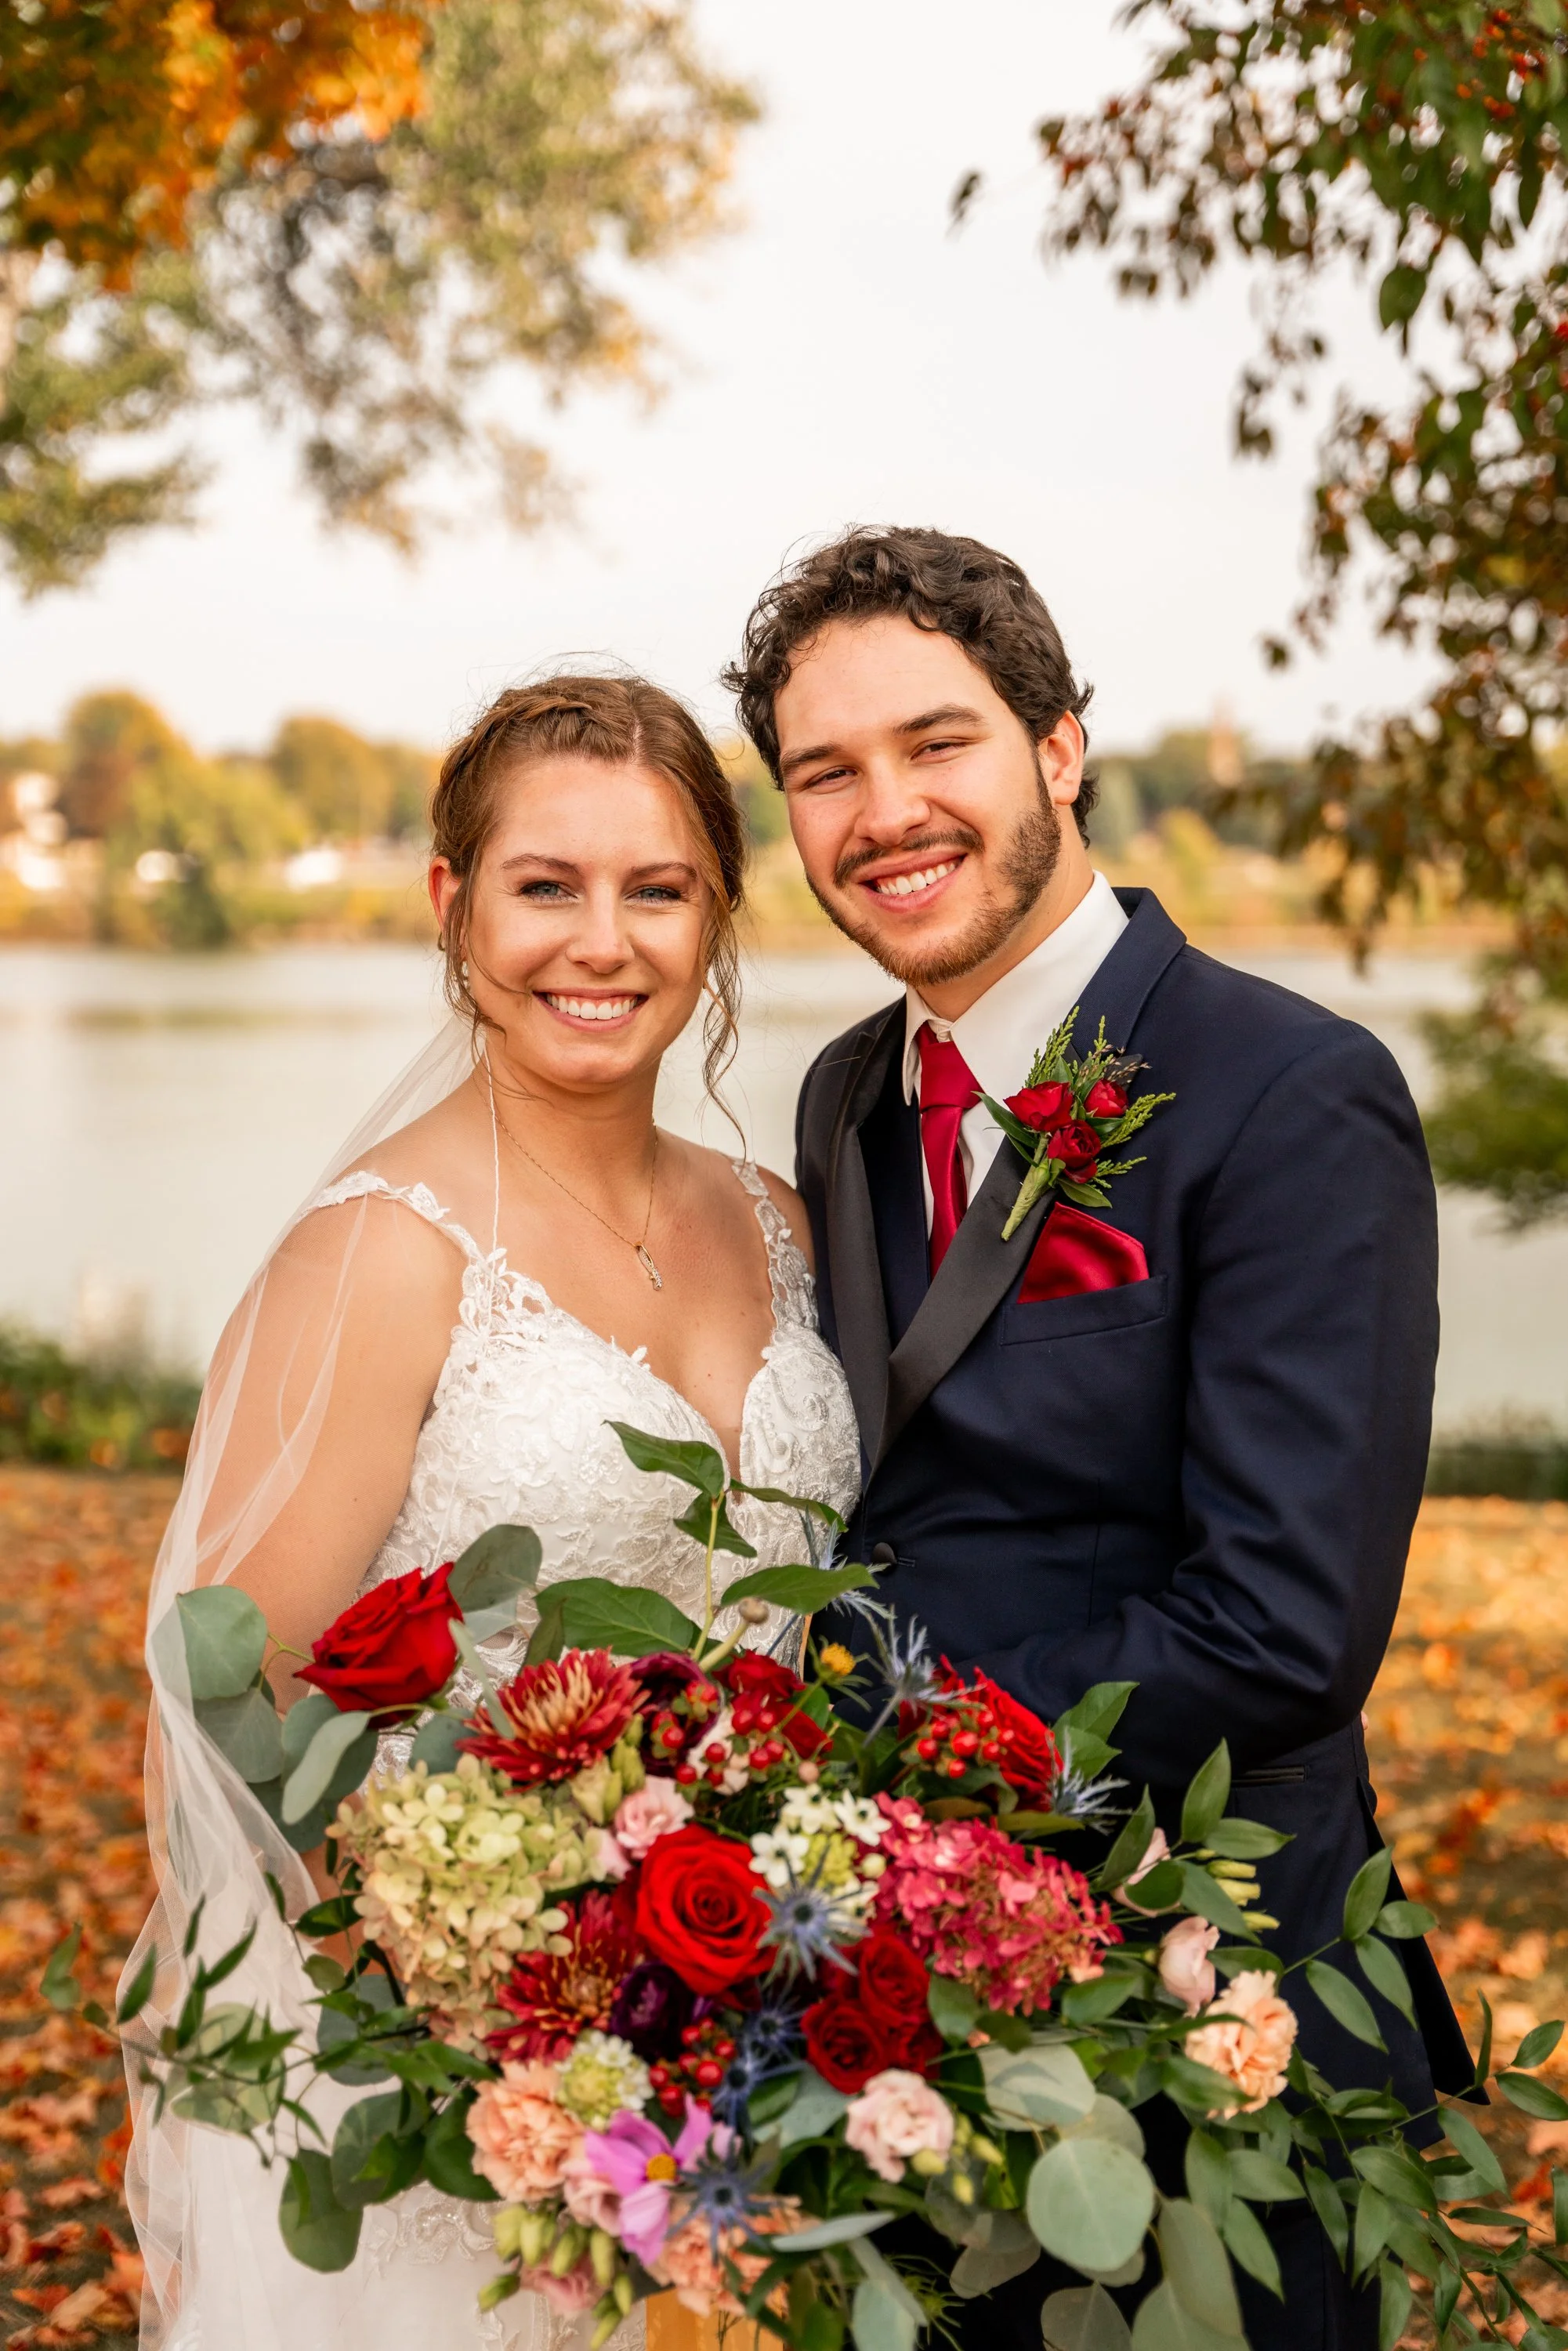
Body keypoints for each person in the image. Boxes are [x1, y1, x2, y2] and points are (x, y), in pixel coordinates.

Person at [723, 527, 1475, 2351]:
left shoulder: (1288, 1093)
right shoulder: (844, 1095)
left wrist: (873, 1756)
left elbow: (1283, 1624)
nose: (883, 811)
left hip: (1218, 2012)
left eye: (937, 744)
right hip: (899, 2033)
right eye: (825, 773)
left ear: (1058, 746)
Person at [125, 676, 860, 2351]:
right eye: (547, 887)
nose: (600, 943)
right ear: (454, 905)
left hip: (763, 2039)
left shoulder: (784, 1220)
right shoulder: (382, 1249)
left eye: (655, 890)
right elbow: (231, 1693)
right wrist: (482, 2005)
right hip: (474, 2096)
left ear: (715, 920)